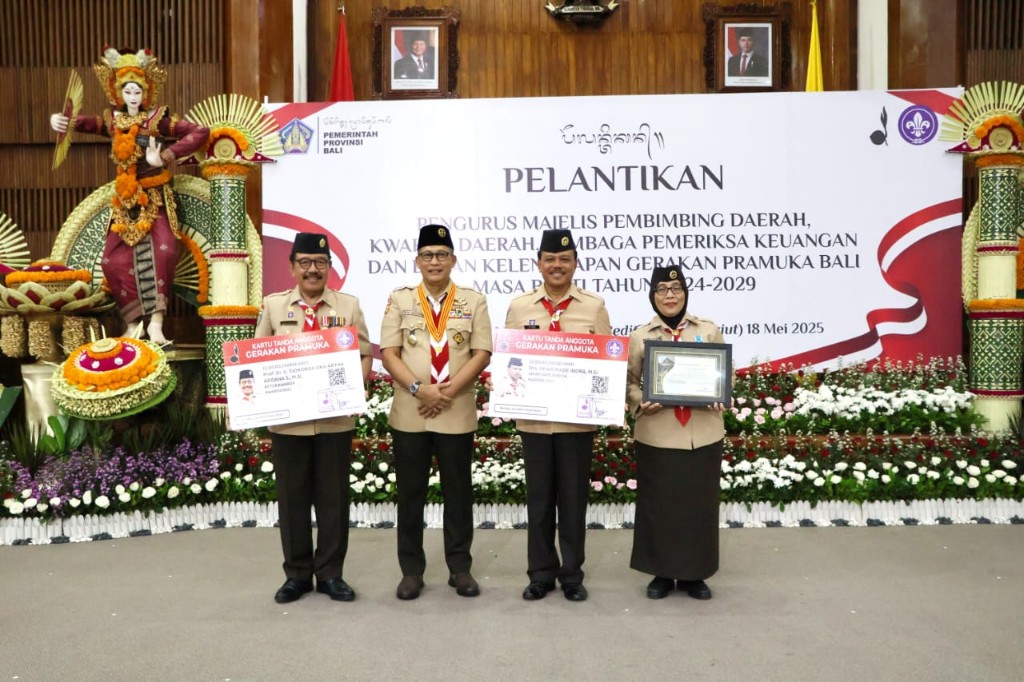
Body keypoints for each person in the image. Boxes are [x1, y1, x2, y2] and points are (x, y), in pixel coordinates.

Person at [49, 47, 209, 344]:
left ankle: (156, 323)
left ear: (145, 92)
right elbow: (86, 123)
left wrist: (165, 156)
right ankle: (133, 322)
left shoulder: (159, 120)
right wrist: (63, 121)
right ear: (118, 93)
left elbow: (200, 132)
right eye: (127, 91)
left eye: (137, 91)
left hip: (156, 197)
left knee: (164, 252)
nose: (133, 97)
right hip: (125, 201)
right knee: (112, 261)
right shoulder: (113, 121)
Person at [254, 232, 372, 604]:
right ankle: (297, 575)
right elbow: (257, 358)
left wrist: (356, 389)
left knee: (333, 499)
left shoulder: (348, 306)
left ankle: (332, 574)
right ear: (292, 267)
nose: (312, 270)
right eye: (304, 262)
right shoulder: (274, 306)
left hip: (334, 420)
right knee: (292, 500)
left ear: (329, 268)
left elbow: (364, 354)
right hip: (289, 423)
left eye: (320, 263)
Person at [380, 224, 492, 600]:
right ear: (417, 261)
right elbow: (389, 353)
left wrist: (448, 391)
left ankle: (460, 568)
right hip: (411, 410)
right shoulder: (400, 300)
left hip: (455, 410)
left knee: (458, 493)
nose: (434, 261)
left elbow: (482, 352)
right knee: (410, 493)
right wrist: (419, 389)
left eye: (441, 255)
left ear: (453, 260)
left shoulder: (473, 301)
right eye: (427, 255)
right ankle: (411, 571)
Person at [503, 229, 611, 602]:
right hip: (534, 421)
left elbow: (606, 365)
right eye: (550, 259)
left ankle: (572, 575)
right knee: (539, 501)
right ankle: (540, 574)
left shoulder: (593, 307)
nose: (557, 265)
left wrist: (602, 398)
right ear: (539, 264)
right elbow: (509, 361)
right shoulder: (520, 307)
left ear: (575, 263)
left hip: (576, 422)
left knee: (573, 502)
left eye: (564, 259)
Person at [626, 265, 728, 601]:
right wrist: (641, 401)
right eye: (661, 289)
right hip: (657, 431)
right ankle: (661, 571)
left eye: (676, 288)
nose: (669, 295)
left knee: (698, 505)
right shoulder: (641, 336)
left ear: (685, 292)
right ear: (652, 295)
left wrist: (721, 393)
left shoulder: (708, 330)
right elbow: (629, 381)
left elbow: (725, 374)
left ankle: (694, 574)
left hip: (703, 432)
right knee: (660, 506)